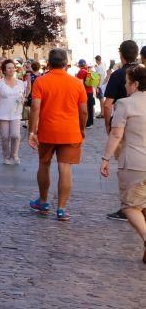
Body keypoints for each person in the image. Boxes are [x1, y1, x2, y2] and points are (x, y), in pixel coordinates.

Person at [28, 49, 87, 221]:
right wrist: (81, 128)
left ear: (49, 62)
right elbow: (83, 111)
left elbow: (35, 107)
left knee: (44, 164)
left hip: (47, 131)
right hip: (70, 131)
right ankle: (61, 209)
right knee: (65, 169)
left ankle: (44, 201)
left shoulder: (41, 81)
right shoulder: (77, 83)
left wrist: (32, 131)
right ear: (65, 63)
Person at [99, 65, 146, 263]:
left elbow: (116, 133)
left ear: (135, 84)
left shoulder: (125, 104)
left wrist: (106, 158)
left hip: (135, 162)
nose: (125, 86)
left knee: (130, 207)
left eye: (127, 82)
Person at [103, 40, 140, 221]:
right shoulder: (142, 72)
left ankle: (127, 207)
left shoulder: (118, 74)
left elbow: (108, 104)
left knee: (125, 167)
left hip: (123, 124)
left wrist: (108, 127)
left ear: (121, 54)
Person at [0, 59, 26, 165]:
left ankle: (14, 155)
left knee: (16, 136)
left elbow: (22, 96)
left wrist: (23, 99)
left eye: (13, 67)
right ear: (4, 70)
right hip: (3, 113)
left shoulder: (20, 83)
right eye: (9, 68)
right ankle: (6, 156)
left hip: (16, 113)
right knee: (5, 137)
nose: (11, 70)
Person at [75, 59, 97, 128]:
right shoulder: (87, 70)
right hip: (90, 92)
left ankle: (87, 123)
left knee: (85, 108)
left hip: (85, 92)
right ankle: (90, 123)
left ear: (79, 65)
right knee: (90, 108)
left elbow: (80, 83)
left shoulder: (81, 72)